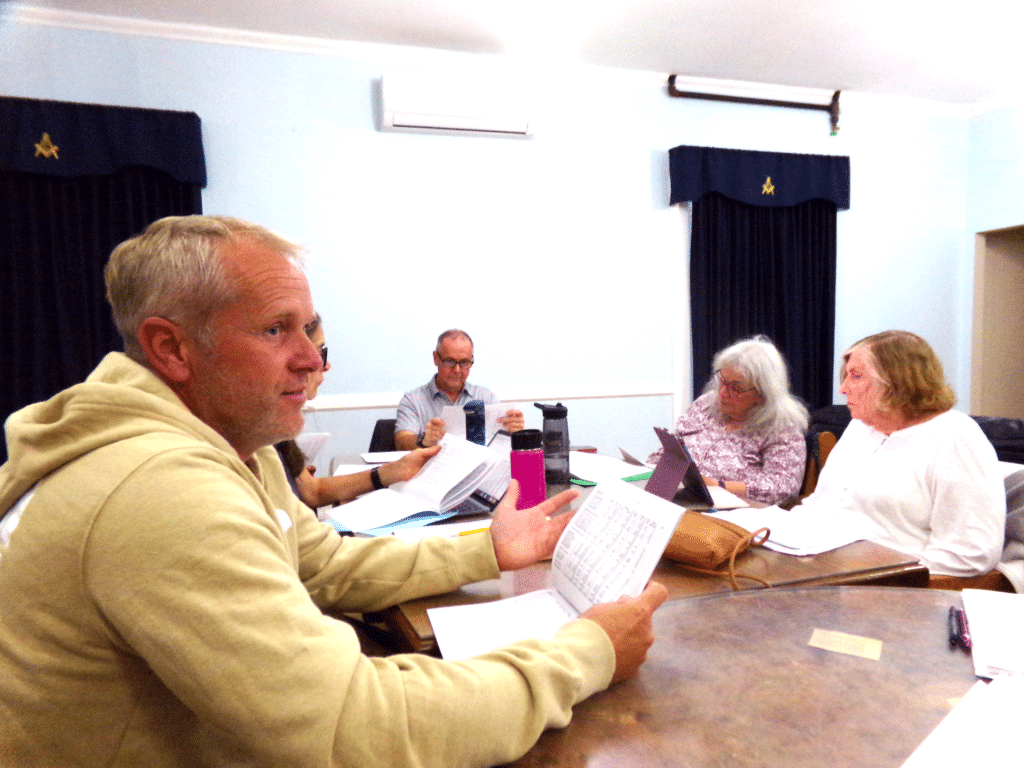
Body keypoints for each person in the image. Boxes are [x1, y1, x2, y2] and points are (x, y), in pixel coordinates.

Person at [0, 215, 668, 767]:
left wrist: (485, 552)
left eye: (309, 329)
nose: (314, 361)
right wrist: (588, 652)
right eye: (274, 330)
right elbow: (353, 727)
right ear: (171, 349)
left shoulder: (231, 445)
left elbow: (321, 563)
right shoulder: (160, 488)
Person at [796, 330, 1005, 577]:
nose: (843, 389)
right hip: (818, 566)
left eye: (856, 376)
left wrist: (877, 573)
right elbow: (821, 506)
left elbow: (972, 553)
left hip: (888, 588)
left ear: (898, 383)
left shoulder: (955, 437)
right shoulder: (860, 426)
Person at [275, 316, 437, 509]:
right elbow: (313, 493)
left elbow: (313, 491)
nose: (326, 366)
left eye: (466, 362)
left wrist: (394, 470)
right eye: (320, 352)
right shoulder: (264, 439)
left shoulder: (276, 429)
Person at [647, 336, 809, 505]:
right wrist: (650, 468)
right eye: (722, 381)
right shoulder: (705, 404)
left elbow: (783, 488)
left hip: (733, 512)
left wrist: (717, 485)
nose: (723, 392)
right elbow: (675, 448)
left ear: (763, 394)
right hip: (679, 496)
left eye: (736, 388)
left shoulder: (781, 427)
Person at [394, 329, 525, 450]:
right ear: (435, 358)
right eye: (449, 361)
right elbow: (401, 441)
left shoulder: (486, 397)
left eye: (464, 363)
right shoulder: (413, 400)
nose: (457, 370)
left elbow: (502, 445)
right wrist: (423, 441)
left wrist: (515, 432)